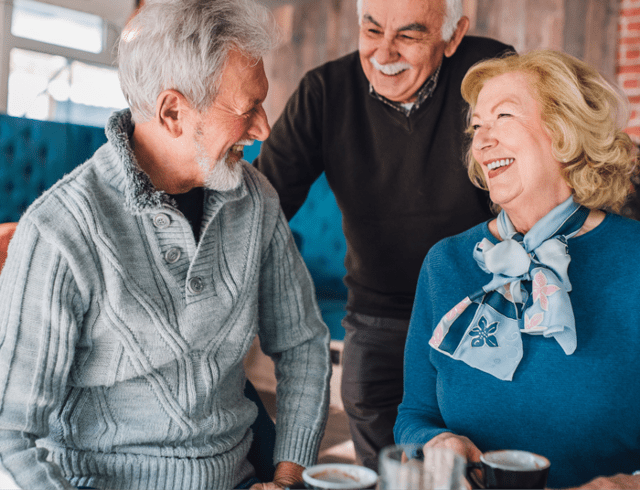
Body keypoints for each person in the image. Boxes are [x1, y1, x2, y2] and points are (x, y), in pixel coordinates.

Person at [0, 1, 332, 489]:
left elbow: (303, 343)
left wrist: (286, 478)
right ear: (173, 112)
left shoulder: (254, 199)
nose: (263, 129)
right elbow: (11, 434)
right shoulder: (59, 232)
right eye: (247, 109)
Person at [254, 0, 512, 471]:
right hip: (377, 312)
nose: (384, 53)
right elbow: (261, 202)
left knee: (470, 460)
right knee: (383, 463)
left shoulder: (491, 75)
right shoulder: (325, 92)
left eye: (409, 36)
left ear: (451, 38)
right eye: (372, 30)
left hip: (479, 308)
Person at [394, 49, 640, 489]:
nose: (482, 140)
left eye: (503, 116)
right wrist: (436, 443)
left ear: (564, 130)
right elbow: (415, 415)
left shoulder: (634, 258)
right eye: (476, 127)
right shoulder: (445, 263)